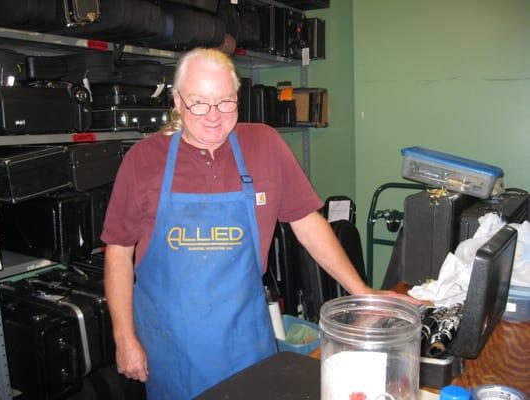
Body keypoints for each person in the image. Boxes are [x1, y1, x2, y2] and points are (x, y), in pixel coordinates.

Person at [102, 48, 419, 400]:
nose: (213, 116)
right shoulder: (143, 159)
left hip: (247, 345)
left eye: (225, 102)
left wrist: (363, 293)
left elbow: (307, 222)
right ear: (177, 100)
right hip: (171, 350)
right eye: (198, 103)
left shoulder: (264, 144)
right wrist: (124, 337)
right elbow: (118, 250)